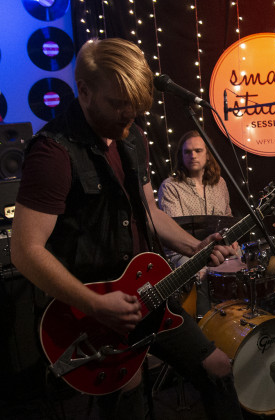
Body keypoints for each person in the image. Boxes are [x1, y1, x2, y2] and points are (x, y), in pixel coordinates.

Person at [10, 38, 244, 419]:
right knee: (128, 396)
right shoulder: (53, 153)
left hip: (147, 295)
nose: (128, 114)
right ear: (83, 91)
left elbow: (149, 211)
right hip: (95, 313)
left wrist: (194, 246)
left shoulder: (131, 137)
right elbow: (26, 251)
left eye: (134, 105)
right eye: (117, 103)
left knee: (218, 368)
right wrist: (95, 304)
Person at [158, 130, 233, 317]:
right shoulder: (170, 186)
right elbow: (175, 232)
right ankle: (204, 325)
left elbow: (227, 218)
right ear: (180, 156)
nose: (193, 155)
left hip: (216, 249)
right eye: (187, 152)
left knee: (243, 262)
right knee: (198, 271)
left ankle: (235, 322)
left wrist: (232, 239)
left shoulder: (220, 183)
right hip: (182, 253)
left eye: (198, 151)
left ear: (208, 155)